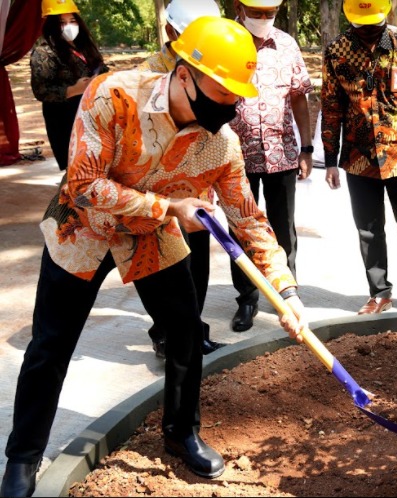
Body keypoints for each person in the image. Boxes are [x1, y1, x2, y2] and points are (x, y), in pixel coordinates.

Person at [0, 17, 307, 498]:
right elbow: (83, 186)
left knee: (185, 332)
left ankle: (181, 432)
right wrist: (169, 207)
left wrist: (286, 291)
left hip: (149, 235)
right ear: (185, 74)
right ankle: (22, 458)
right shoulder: (113, 96)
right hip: (83, 228)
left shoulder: (220, 144)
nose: (229, 105)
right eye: (221, 90)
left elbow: (249, 219)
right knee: (50, 346)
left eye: (236, 95)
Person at [321, 0, 397, 315]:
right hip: (359, 159)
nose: (368, 29)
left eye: (373, 22)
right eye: (362, 23)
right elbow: (331, 106)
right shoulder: (337, 51)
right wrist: (329, 159)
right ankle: (379, 292)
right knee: (368, 229)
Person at [137, 0, 224, 358]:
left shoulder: (214, 65)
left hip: (195, 188)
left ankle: (192, 331)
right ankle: (164, 334)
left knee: (196, 264)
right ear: (171, 31)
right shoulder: (147, 74)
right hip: (153, 194)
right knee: (156, 268)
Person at [228, 0, 314, 332]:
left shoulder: (287, 45)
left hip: (281, 154)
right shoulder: (228, 42)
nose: (263, 19)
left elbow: (298, 97)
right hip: (235, 159)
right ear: (239, 6)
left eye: (270, 13)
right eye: (257, 12)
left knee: (283, 229)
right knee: (241, 229)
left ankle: (286, 296)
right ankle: (247, 298)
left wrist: (306, 148)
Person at [31, 0, 107, 171]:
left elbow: (103, 69)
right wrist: (73, 90)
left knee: (98, 165)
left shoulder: (85, 47)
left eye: (72, 21)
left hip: (93, 113)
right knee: (77, 169)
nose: (69, 27)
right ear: (51, 25)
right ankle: (73, 197)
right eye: (62, 23)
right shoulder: (44, 52)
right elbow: (40, 90)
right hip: (64, 119)